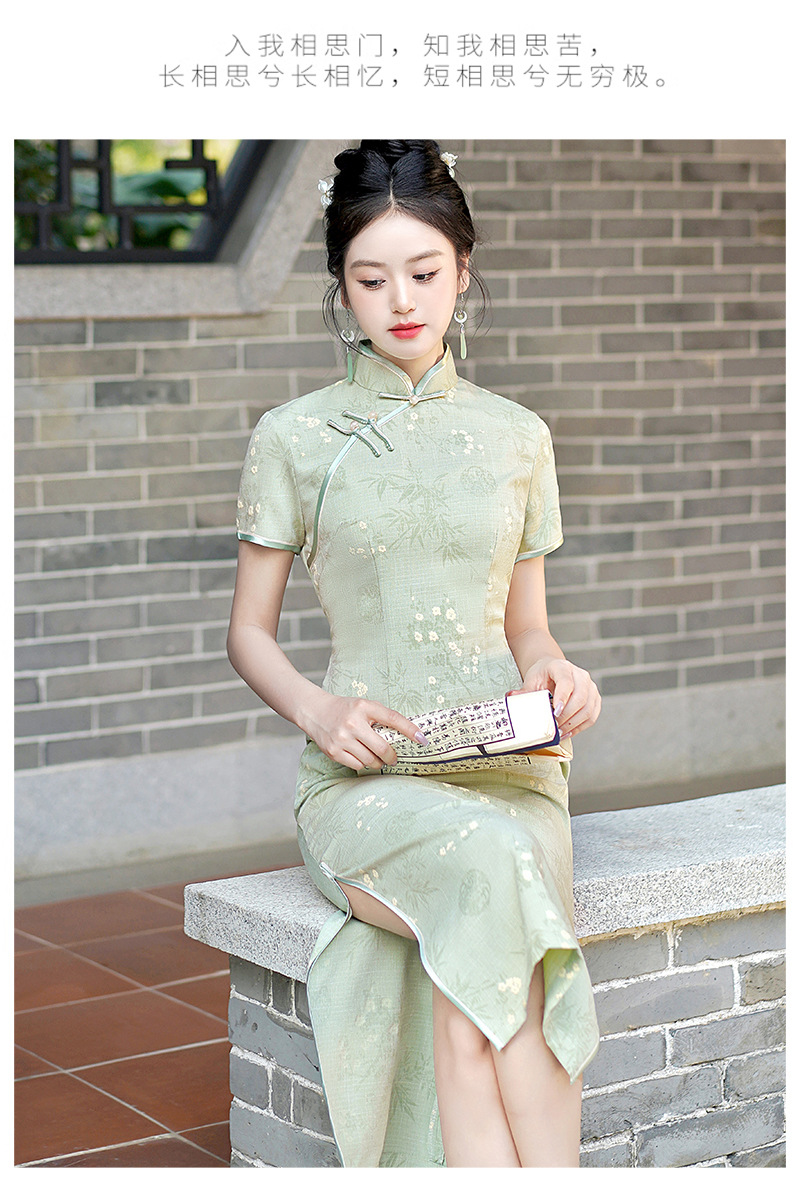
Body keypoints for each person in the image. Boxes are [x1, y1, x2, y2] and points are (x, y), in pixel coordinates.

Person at [227, 139, 602, 1168]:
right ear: (339, 284)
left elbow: (526, 628)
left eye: (425, 272)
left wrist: (556, 675)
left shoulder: (518, 436)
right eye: (371, 278)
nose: (401, 300)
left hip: (510, 768)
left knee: (469, 999)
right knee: (491, 880)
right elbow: (247, 633)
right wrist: (319, 712)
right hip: (367, 780)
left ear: (463, 271)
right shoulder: (294, 437)